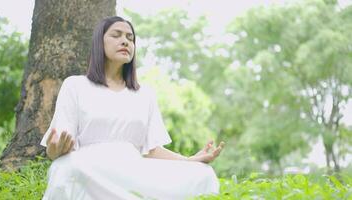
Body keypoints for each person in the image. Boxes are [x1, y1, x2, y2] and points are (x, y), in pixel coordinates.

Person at [40, 16, 225, 200]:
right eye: (116, 35)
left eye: (130, 38)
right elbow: (58, 144)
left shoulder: (145, 94)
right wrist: (55, 150)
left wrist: (189, 161)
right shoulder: (75, 86)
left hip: (133, 168)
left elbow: (151, 150)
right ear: (99, 42)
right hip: (90, 167)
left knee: (203, 174)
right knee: (67, 166)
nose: (125, 41)